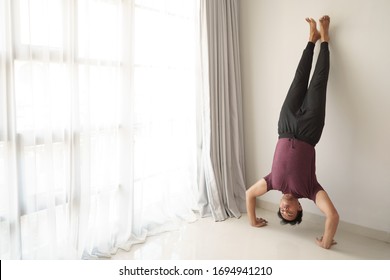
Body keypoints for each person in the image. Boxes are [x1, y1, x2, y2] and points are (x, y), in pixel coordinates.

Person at [245, 15, 339, 249]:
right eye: (290, 213)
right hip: (309, 130)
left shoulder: (271, 183)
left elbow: (249, 194)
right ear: (299, 208)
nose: (285, 209)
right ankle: (325, 39)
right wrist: (326, 243)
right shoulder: (310, 189)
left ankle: (311, 40)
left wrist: (253, 220)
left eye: (282, 211)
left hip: (284, 126)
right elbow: (333, 216)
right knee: (318, 82)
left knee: (298, 80)